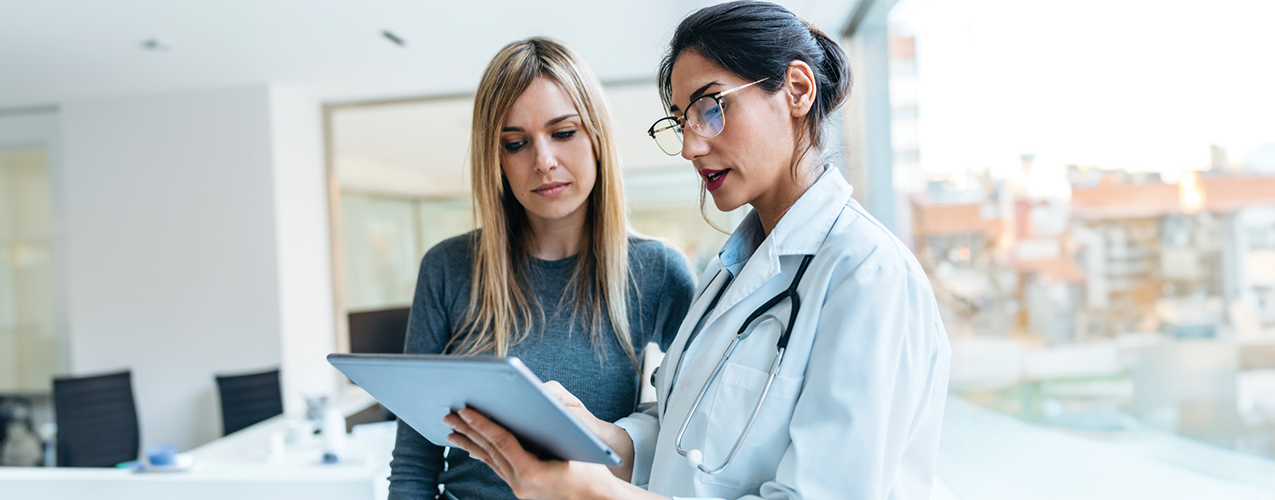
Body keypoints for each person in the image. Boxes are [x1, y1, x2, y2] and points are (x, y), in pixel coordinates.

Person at [443, 2, 952, 499]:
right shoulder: (730, 272)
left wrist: (593, 492)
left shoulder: (867, 275)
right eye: (682, 120)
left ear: (797, 89)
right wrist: (598, 435)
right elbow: (680, 431)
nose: (690, 146)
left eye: (711, 107)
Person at [389, 37, 698, 500]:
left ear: (596, 137)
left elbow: (696, 426)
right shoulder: (449, 268)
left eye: (564, 132)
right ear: (497, 160)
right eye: (516, 143)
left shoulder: (657, 271)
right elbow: (415, 460)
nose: (543, 161)